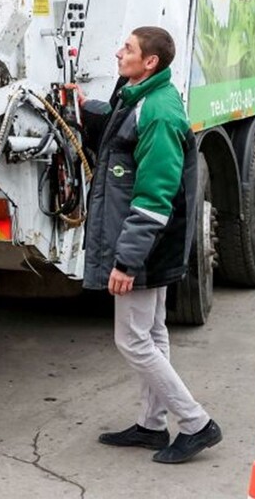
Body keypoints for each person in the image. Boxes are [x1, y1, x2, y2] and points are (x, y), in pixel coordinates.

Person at [83, 26, 221, 465]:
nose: (118, 52)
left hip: (146, 245)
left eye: (128, 49)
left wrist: (126, 262)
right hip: (152, 244)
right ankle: (151, 424)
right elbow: (118, 122)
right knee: (153, 331)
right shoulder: (140, 96)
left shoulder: (159, 113)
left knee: (132, 339)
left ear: (150, 63)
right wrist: (82, 106)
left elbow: (154, 198)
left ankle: (196, 423)